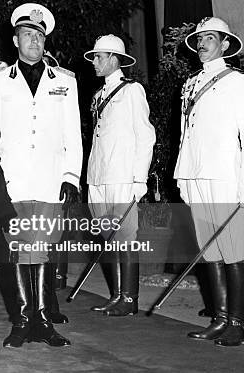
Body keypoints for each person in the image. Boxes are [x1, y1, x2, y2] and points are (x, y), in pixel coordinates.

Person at [0, 3, 81, 348]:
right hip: (13, 181)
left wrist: (71, 175)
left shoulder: (65, 82)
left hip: (50, 180)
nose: (34, 41)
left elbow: (73, 134)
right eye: (27, 34)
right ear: (15, 39)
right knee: (19, 249)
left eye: (39, 35)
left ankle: (42, 321)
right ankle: (23, 320)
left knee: (44, 250)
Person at [174, 16, 244, 347]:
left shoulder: (238, 83)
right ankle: (219, 319)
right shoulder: (190, 83)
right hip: (195, 173)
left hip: (224, 176)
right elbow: (184, 135)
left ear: (225, 44)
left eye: (209, 38)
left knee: (233, 249)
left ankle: (237, 323)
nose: (202, 43)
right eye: (199, 38)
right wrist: (184, 177)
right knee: (209, 248)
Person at [83, 34, 155, 316]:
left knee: (125, 235)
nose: (94, 62)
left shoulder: (131, 91)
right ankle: (117, 295)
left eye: (99, 57)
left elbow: (146, 136)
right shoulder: (99, 94)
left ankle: (130, 298)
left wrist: (139, 179)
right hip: (99, 174)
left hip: (122, 175)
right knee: (107, 235)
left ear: (114, 59)